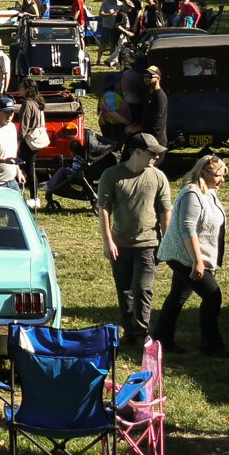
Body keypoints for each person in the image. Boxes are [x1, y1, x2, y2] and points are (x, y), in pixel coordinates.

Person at [96, 133, 171, 349]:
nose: (156, 157)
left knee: (142, 288)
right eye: (152, 153)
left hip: (149, 244)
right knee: (125, 289)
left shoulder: (158, 177)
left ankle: (141, 332)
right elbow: (103, 210)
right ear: (136, 152)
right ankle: (129, 332)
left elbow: (165, 212)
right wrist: (108, 241)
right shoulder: (112, 175)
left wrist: (166, 243)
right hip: (120, 244)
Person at [153, 154, 229, 357]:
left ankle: (161, 339)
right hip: (183, 256)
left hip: (191, 255)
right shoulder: (191, 194)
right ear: (203, 172)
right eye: (219, 175)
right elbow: (188, 229)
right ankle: (211, 345)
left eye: (224, 175)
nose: (222, 179)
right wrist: (197, 261)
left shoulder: (209, 192)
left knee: (178, 295)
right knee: (213, 296)